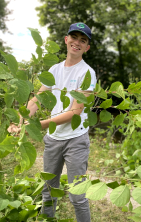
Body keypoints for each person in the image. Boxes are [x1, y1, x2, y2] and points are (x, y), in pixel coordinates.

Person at [27, 22, 96, 221]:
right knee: (48, 189)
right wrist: (22, 119)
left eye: (83, 40)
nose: (77, 43)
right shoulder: (54, 69)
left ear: (87, 48)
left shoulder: (87, 72)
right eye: (74, 38)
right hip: (53, 139)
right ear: (66, 40)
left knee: (77, 195)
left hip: (76, 140)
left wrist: (38, 125)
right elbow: (37, 99)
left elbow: (75, 112)